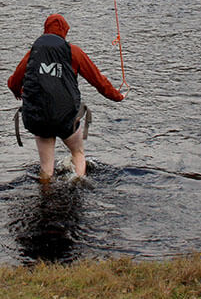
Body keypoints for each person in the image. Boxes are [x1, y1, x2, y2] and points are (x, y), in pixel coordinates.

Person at [8, 13, 124, 183]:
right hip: (65, 118)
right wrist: (118, 96)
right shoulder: (73, 52)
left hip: (39, 117)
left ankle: (45, 195)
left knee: (46, 168)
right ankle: (78, 183)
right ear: (65, 31)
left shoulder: (34, 52)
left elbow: (13, 81)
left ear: (45, 30)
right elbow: (98, 81)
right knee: (77, 153)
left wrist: (18, 92)